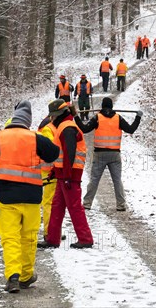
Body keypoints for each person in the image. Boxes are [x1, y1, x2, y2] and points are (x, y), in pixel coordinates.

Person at [0, 100, 59, 293]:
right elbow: (53, 153)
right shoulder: (35, 138)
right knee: (28, 237)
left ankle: (13, 275)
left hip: (8, 199)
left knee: (10, 237)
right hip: (32, 198)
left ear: (11, 120)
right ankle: (26, 275)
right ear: (27, 122)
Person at [38, 99, 94, 249]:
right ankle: (52, 239)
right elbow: (62, 156)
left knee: (74, 207)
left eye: (53, 116)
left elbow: (70, 153)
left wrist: (67, 176)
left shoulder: (68, 127)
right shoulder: (65, 125)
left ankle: (85, 239)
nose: (51, 119)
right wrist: (54, 173)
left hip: (70, 175)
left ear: (58, 114)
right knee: (57, 206)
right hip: (64, 174)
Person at [75, 97, 142, 211]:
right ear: (111, 107)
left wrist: (76, 117)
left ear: (102, 106)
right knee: (117, 180)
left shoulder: (98, 118)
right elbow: (131, 130)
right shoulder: (118, 118)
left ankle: (87, 203)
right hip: (115, 155)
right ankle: (121, 205)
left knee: (94, 179)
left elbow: (85, 129)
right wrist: (138, 117)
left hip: (99, 154)